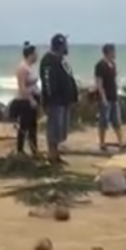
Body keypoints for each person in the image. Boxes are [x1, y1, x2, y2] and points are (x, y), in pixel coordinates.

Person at [39, 33, 78, 164]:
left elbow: (68, 78)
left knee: (61, 129)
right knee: (54, 128)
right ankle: (52, 155)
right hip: (55, 102)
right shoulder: (48, 61)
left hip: (64, 101)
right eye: (66, 44)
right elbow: (48, 82)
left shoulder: (62, 60)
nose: (68, 47)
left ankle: (56, 155)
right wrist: (49, 100)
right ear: (60, 46)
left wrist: (73, 96)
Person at [8, 42, 40, 156]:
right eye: (35, 54)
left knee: (33, 127)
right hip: (24, 101)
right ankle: (20, 150)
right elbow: (22, 87)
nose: (37, 56)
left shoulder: (30, 68)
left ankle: (34, 150)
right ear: (30, 55)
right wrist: (31, 99)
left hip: (32, 99)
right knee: (24, 126)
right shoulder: (22, 68)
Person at [94, 43, 124, 151]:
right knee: (103, 121)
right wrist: (103, 98)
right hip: (105, 98)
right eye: (113, 51)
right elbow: (99, 83)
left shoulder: (113, 64)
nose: (115, 53)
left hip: (114, 96)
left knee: (117, 121)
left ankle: (121, 142)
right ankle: (102, 143)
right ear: (108, 52)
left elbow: (114, 81)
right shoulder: (100, 65)